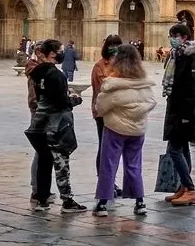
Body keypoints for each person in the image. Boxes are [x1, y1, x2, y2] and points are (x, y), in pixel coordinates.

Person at [92, 44, 157, 218]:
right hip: (138, 130)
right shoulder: (145, 84)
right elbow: (151, 102)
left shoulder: (112, 86)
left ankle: (103, 203)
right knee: (134, 165)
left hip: (115, 128)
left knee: (109, 165)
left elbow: (100, 108)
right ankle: (140, 202)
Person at [26, 39, 88, 214]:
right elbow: (61, 102)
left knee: (44, 161)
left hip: (40, 122)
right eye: (60, 50)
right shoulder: (56, 75)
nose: (62, 53)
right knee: (61, 162)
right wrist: (75, 99)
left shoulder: (37, 73)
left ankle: (42, 199)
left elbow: (41, 97)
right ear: (52, 53)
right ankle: (67, 201)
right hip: (56, 124)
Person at [162, 22, 195, 207]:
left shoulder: (191, 58)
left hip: (183, 112)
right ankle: (184, 188)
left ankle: (190, 188)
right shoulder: (178, 55)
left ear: (184, 37)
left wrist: (187, 114)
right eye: (171, 36)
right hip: (177, 109)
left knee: (174, 149)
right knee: (183, 148)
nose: (172, 39)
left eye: (175, 35)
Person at [91, 34, 123, 200]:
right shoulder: (99, 66)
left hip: (119, 112)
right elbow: (104, 88)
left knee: (114, 149)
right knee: (104, 147)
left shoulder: (122, 65)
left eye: (118, 45)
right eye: (112, 45)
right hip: (103, 113)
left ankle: (112, 182)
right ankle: (104, 183)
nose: (115, 48)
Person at [25, 40, 55, 206]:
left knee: (43, 152)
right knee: (41, 152)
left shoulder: (41, 69)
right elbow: (35, 96)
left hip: (41, 111)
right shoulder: (37, 70)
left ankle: (40, 189)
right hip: (40, 113)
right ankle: (37, 190)